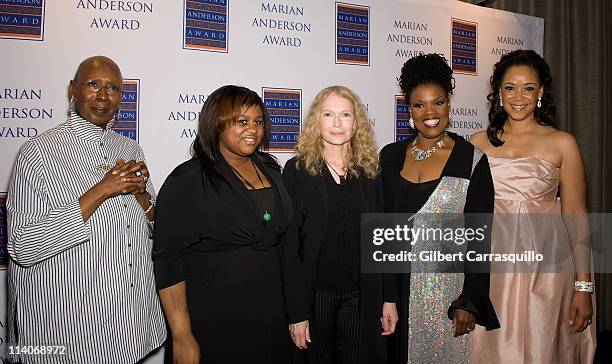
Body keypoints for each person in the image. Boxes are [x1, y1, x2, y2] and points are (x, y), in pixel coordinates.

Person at [6, 56, 165, 363]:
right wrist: (102, 190)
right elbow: (22, 245)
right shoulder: (37, 152)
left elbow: (155, 227)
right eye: (93, 84)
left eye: (113, 88)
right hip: (67, 334)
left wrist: (143, 197)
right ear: (72, 90)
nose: (103, 96)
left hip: (131, 326)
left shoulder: (130, 148)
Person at [469, 49, 596, 363]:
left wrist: (584, 286)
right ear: (498, 92)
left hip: (546, 269)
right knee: (488, 349)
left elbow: (577, 215)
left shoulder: (562, 142)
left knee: (541, 347)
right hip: (492, 265)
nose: (518, 97)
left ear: (541, 92)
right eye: (510, 87)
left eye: (528, 88)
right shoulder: (477, 142)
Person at [152, 85, 295, 364]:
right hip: (215, 323)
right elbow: (169, 261)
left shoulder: (271, 169)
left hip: (272, 321)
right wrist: (182, 336)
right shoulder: (188, 180)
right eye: (241, 121)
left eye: (258, 121)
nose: (252, 129)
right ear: (216, 123)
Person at [379, 53, 500, 363]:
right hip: (400, 292)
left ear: (449, 104)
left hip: (447, 292)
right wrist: (388, 297)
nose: (429, 112)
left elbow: (479, 238)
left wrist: (469, 300)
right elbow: (386, 233)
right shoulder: (390, 156)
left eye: (438, 103)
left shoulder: (471, 159)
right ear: (409, 110)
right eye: (419, 105)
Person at [282, 85, 398, 364]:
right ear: (316, 121)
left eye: (345, 114)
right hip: (316, 294)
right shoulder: (297, 171)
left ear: (356, 122)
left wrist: (389, 298)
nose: (337, 123)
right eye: (328, 114)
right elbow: (288, 247)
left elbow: (383, 238)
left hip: (361, 294)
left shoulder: (370, 171)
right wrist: (296, 312)